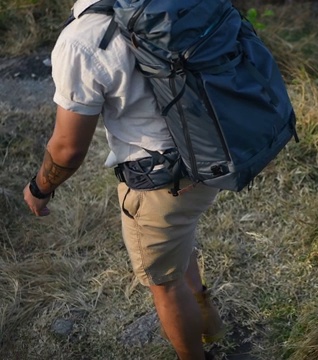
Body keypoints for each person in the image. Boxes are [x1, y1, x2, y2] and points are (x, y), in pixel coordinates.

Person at [22, 1, 224, 359]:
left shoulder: (82, 39)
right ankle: (208, 322)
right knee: (178, 239)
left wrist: (40, 188)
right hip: (215, 151)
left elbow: (68, 149)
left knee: (165, 284)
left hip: (162, 182)